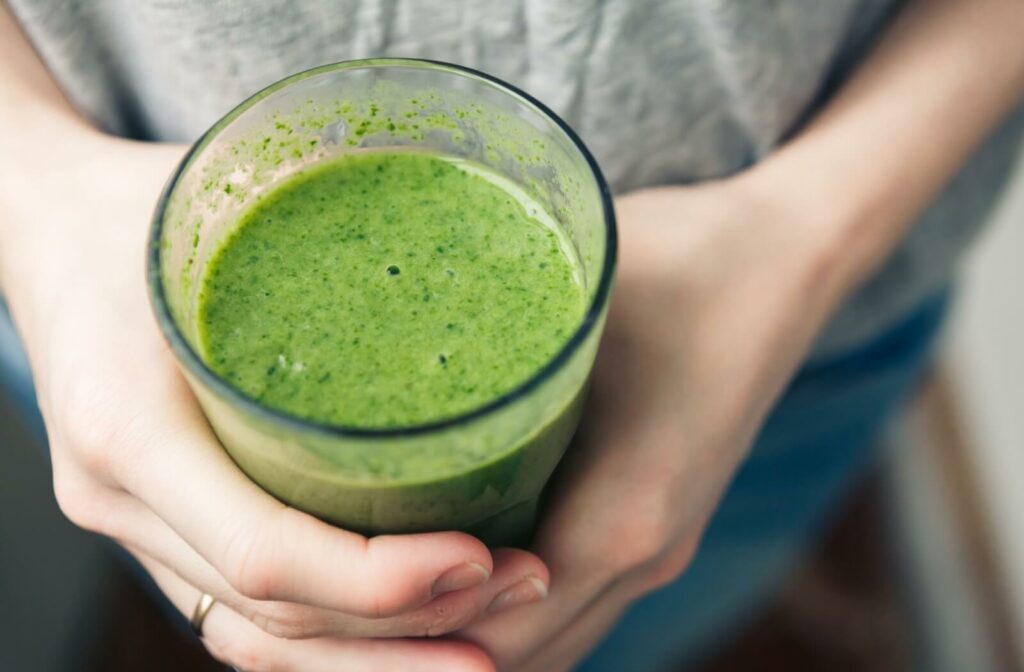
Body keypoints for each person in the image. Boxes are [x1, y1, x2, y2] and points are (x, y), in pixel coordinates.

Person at [2, 1, 1022, 670]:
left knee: (636, 633)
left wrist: (800, 233)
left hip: (793, 331)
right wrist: (34, 186)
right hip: (104, 321)